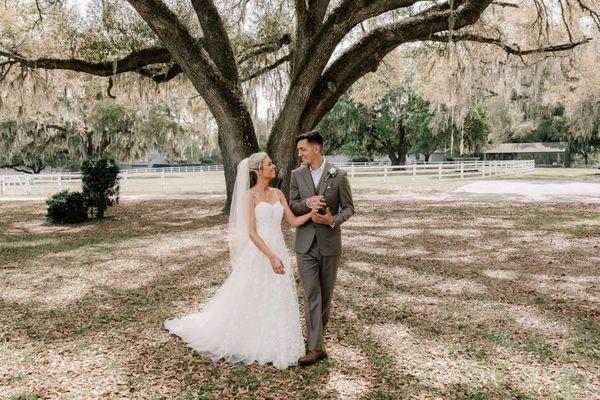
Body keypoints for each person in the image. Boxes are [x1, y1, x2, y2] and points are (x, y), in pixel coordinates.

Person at [164, 152, 316, 370]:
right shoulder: (249, 197)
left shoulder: (278, 194)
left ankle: (277, 340)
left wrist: (312, 213)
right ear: (257, 171)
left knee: (276, 294)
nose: (274, 166)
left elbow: (292, 220)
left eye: (273, 162)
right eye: (269, 164)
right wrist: (271, 256)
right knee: (253, 295)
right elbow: (252, 233)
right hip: (261, 253)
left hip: (279, 251)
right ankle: (252, 337)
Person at [289, 130, 355, 366]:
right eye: (299, 150)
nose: (299, 154)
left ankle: (317, 341)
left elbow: (349, 208)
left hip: (330, 244)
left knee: (325, 296)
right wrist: (307, 203)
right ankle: (315, 347)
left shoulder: (338, 175)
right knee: (311, 294)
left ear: (316, 149)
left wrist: (331, 220)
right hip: (304, 245)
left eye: (303, 149)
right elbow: (292, 206)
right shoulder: (297, 175)